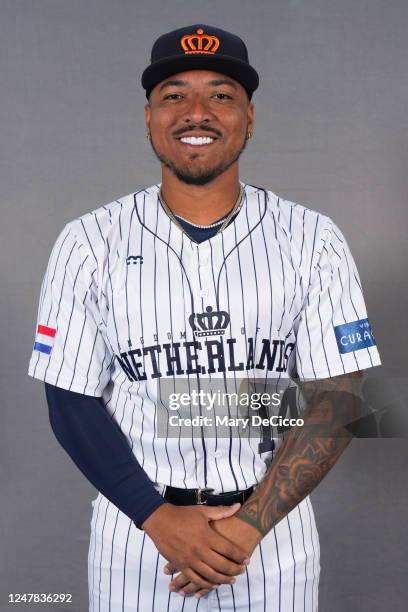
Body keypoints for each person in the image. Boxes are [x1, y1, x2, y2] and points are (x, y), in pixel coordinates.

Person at [28, 23, 381, 611]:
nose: (197, 112)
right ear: (148, 117)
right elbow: (70, 399)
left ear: (249, 115)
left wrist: (248, 526)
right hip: (138, 536)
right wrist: (155, 515)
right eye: (174, 95)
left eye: (221, 94)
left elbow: (339, 396)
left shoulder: (313, 238)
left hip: (271, 538)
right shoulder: (88, 241)